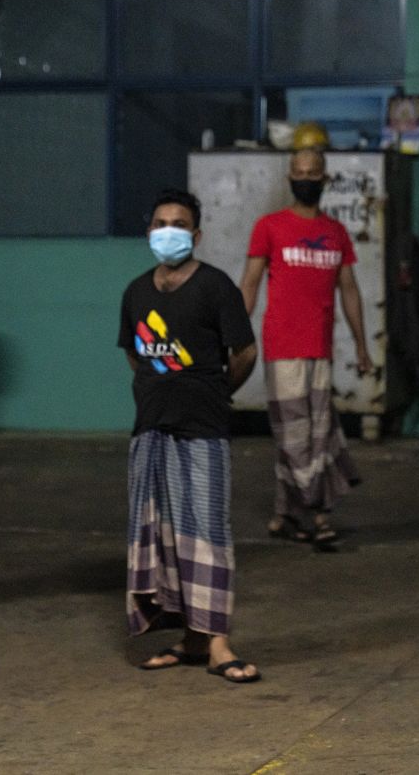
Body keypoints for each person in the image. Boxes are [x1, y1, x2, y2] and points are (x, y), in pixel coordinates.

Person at [119, 189, 261, 683]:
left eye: (179, 223)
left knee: (207, 535)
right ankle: (192, 639)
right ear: (149, 231)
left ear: (196, 235)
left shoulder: (216, 287)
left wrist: (215, 393)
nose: (168, 231)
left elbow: (244, 352)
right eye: (160, 222)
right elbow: (135, 355)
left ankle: (219, 643)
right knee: (165, 538)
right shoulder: (137, 292)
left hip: (203, 430)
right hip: (151, 430)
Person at [240, 148, 371, 550]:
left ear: (324, 178)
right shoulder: (269, 227)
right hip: (283, 348)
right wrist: (230, 335)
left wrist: (363, 347)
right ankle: (319, 514)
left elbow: (349, 290)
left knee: (318, 434)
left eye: (313, 172)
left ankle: (284, 517)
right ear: (289, 178)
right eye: (299, 172)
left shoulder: (336, 233)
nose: (306, 178)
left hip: (321, 350)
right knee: (297, 438)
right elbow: (250, 283)